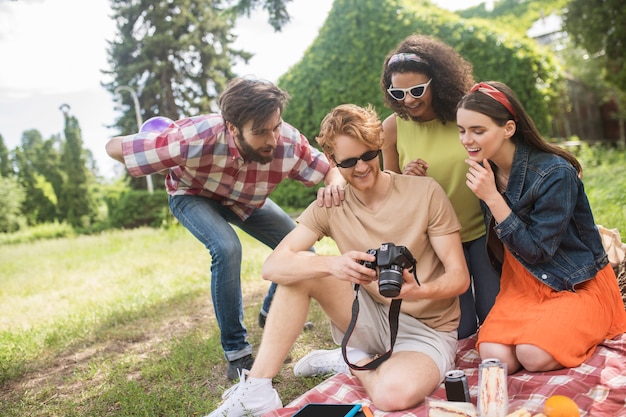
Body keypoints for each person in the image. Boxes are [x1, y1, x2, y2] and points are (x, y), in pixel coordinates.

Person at [204, 103, 470, 417]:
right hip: (369, 315)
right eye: (348, 161)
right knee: (299, 272)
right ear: (331, 160)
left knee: (392, 395)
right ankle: (258, 388)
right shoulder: (332, 203)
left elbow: (459, 277)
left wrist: (417, 291)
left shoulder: (425, 192)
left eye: (369, 155)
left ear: (379, 147)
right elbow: (272, 267)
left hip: (427, 329)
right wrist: (334, 264)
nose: (361, 168)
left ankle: (353, 358)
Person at [104, 77, 345, 380]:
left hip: (246, 200)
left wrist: (333, 187)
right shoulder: (191, 138)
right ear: (232, 127)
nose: (272, 139)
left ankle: (272, 311)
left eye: (276, 126)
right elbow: (114, 147)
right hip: (193, 195)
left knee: (301, 249)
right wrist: (144, 150)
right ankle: (237, 355)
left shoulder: (288, 142)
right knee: (227, 248)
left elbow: (330, 169)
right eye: (260, 132)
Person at [457, 81, 626, 374]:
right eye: (461, 130)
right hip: (520, 286)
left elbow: (538, 251)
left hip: (572, 284)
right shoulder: (487, 170)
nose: (466, 139)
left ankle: (588, 325)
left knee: (533, 356)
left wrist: (493, 199)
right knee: (496, 359)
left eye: (478, 131)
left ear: (508, 129)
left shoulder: (554, 173)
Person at [380, 34, 500, 339]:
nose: (408, 100)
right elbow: (389, 193)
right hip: (438, 244)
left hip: (483, 235)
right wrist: (406, 180)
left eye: (417, 90)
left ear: (439, 81)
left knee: (494, 318)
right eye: (398, 92)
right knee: (462, 330)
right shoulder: (392, 128)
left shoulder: (466, 115)